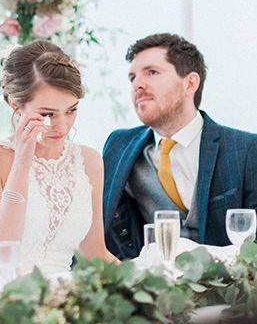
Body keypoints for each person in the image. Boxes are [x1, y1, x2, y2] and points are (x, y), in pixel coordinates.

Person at [0, 40, 116, 275]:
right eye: (48, 114)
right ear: (15, 105)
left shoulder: (89, 161)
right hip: (2, 294)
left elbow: (95, 253)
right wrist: (23, 160)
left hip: (65, 296)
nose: (62, 126)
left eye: (71, 110)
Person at [103, 33, 257, 260]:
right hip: (150, 286)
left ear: (190, 83)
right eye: (132, 77)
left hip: (223, 289)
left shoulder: (245, 148)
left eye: (152, 72)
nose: (138, 84)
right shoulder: (119, 145)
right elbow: (102, 226)